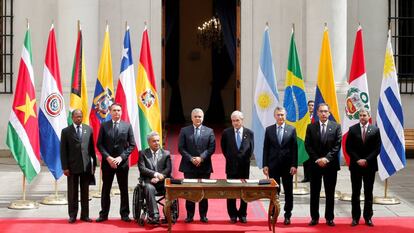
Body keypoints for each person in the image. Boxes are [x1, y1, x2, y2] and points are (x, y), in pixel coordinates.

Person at [96, 103, 136, 222]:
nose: (116, 112)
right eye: (114, 110)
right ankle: (103, 214)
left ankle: (124, 214)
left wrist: (121, 157)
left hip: (122, 163)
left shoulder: (127, 126)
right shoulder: (104, 126)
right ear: (110, 112)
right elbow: (99, 144)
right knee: (106, 189)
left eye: (119, 110)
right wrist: (108, 157)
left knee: (123, 189)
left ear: (121, 112)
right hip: (107, 163)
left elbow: (132, 145)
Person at [305, 103, 341, 227]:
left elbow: (337, 146)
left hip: (330, 166)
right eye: (321, 111)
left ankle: (329, 218)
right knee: (314, 192)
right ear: (317, 113)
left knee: (330, 193)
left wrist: (326, 159)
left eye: (326, 111)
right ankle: (314, 217)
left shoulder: (336, 127)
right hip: (315, 166)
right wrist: (317, 159)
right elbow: (308, 145)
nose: (324, 113)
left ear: (329, 113)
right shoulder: (311, 127)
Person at [178, 108, 215, 223]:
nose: (198, 118)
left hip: (204, 166)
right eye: (196, 116)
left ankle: (203, 215)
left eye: (200, 116)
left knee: (204, 191)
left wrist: (201, 158)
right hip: (188, 166)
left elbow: (212, 148)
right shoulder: (184, 131)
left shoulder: (209, 131)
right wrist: (191, 158)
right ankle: (190, 215)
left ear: (203, 118)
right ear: (191, 118)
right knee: (190, 191)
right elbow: (181, 148)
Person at [262, 106, 298, 225]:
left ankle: (287, 215)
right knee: (274, 192)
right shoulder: (269, 130)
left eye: (282, 114)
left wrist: (294, 165)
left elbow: (294, 149)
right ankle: (273, 214)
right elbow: (266, 148)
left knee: (288, 192)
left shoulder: (291, 129)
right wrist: (265, 164)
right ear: (274, 116)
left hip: (288, 166)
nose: (280, 117)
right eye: (278, 115)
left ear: (285, 116)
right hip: (273, 166)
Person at [60, 109, 97, 223]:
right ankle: (72, 215)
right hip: (72, 167)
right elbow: (63, 151)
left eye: (80, 116)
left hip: (85, 167)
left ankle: (85, 215)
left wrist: (93, 165)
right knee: (73, 192)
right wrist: (65, 167)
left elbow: (91, 149)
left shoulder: (88, 129)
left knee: (85, 192)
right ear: (72, 118)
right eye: (76, 117)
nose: (78, 118)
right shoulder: (66, 131)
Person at [346, 109, 380, 227]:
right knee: (355, 192)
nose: (362, 117)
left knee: (368, 192)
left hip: (369, 166)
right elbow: (348, 148)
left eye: (364, 115)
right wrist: (358, 160)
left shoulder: (375, 130)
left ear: (369, 116)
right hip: (356, 166)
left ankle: (368, 217)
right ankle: (355, 217)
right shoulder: (353, 129)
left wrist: (366, 160)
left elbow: (377, 149)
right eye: (360, 115)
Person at [221, 110, 254, 224]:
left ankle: (243, 214)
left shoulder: (249, 133)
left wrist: (243, 160)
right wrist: (232, 159)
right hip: (231, 166)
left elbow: (251, 150)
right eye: (233, 121)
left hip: (244, 167)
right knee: (231, 191)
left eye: (237, 120)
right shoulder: (226, 132)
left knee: (244, 191)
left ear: (242, 120)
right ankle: (232, 214)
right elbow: (224, 149)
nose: (235, 123)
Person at [138, 131, 172, 225]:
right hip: (149, 182)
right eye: (154, 141)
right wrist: (155, 174)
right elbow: (142, 169)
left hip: (163, 182)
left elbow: (168, 169)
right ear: (149, 142)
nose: (157, 143)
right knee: (149, 188)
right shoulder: (142, 153)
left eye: (158, 141)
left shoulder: (166, 153)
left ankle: (169, 214)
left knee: (172, 187)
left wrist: (159, 178)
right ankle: (154, 215)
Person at [301, 100, 314, 183]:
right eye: (309, 105)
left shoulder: (316, 116)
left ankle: (313, 177)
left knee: (313, 160)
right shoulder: (304, 117)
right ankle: (306, 177)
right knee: (305, 160)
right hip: (305, 140)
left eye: (312, 105)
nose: (311, 107)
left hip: (314, 141)